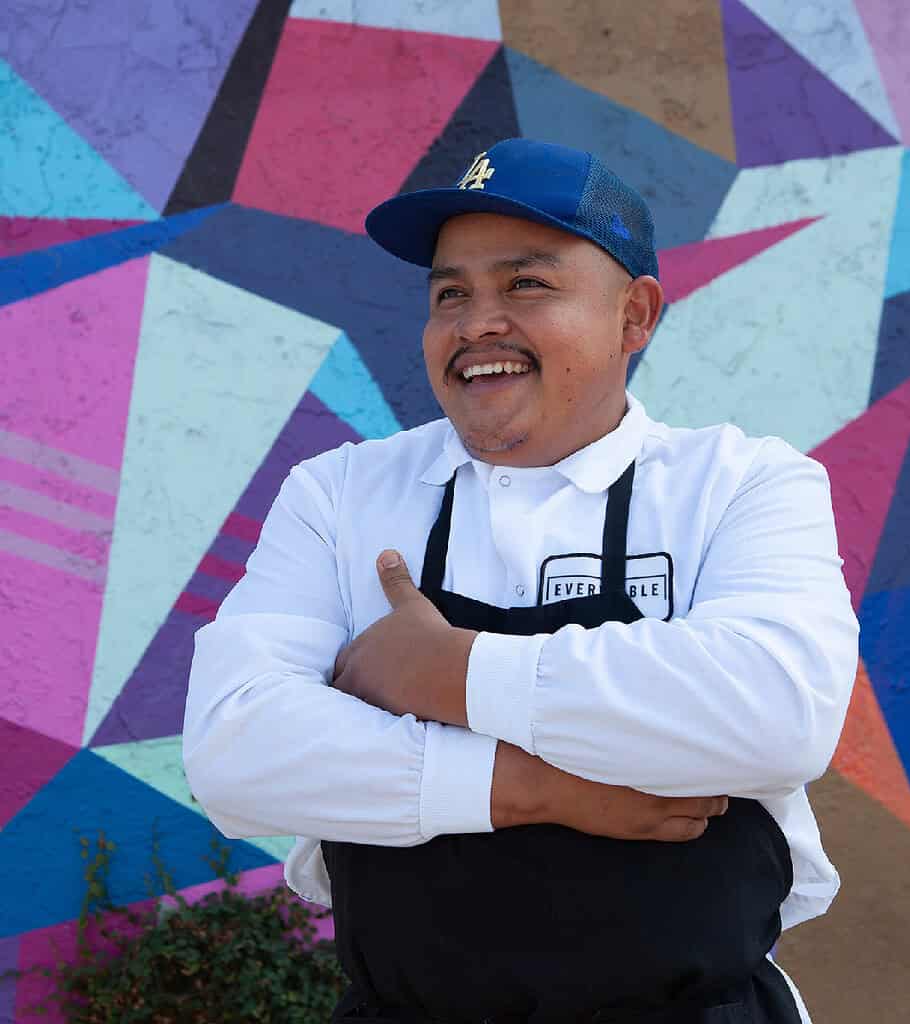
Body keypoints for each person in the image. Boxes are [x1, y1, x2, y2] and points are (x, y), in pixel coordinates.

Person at [183, 138, 859, 1024]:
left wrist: (448, 674)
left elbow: (777, 714)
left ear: (635, 316)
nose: (475, 324)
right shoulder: (340, 493)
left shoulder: (740, 485)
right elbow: (236, 752)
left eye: (526, 285)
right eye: (450, 293)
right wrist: (539, 786)